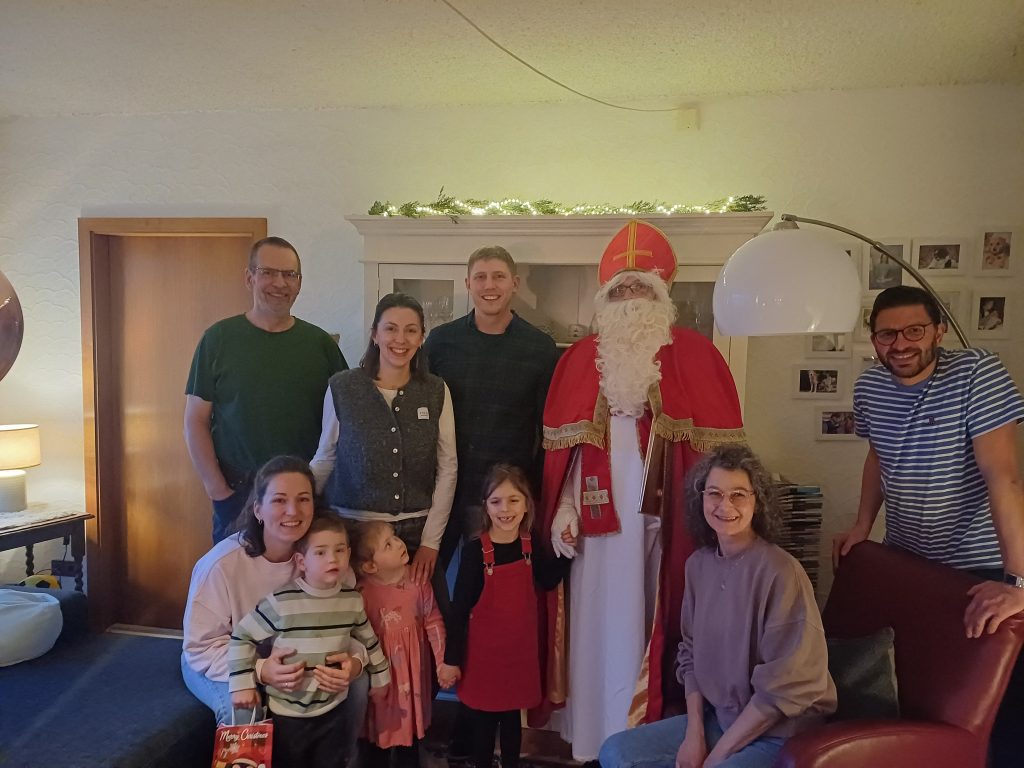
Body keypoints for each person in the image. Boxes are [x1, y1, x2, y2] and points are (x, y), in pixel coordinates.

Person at [537, 220, 745, 761]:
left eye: (641, 287)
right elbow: (565, 453)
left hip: (665, 525)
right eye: (620, 289)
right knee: (595, 624)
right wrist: (563, 507)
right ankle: (593, 735)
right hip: (594, 532)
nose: (630, 297)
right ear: (605, 298)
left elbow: (718, 458)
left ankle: (647, 733)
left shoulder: (696, 355)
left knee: (655, 617)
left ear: (661, 295)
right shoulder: (579, 359)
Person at [834, 285, 1024, 768]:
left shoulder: (978, 373)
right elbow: (878, 455)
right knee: (916, 688)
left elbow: (1003, 476)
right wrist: (862, 525)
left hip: (977, 567)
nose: (900, 344)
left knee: (992, 708)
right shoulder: (870, 387)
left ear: (939, 330)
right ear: (874, 340)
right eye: (887, 334)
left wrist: (1018, 582)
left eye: (914, 330)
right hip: (908, 560)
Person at [599, 445, 837, 768]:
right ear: (701, 500)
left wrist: (717, 756)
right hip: (720, 719)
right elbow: (689, 655)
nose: (725, 505)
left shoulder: (782, 573)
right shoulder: (697, 566)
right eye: (715, 493)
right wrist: (694, 734)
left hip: (780, 730)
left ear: (758, 501)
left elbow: (785, 688)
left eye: (738, 494)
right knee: (614, 753)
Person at [423, 244, 558, 758]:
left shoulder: (539, 349)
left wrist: (535, 503)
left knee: (500, 610)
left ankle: (480, 722)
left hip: (506, 504)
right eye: (480, 277)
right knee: (441, 600)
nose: (489, 286)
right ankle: (433, 705)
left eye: (499, 276)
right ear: (467, 283)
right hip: (448, 491)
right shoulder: (442, 342)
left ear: (515, 283)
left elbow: (548, 430)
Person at [181, 455, 370, 764]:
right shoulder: (220, 566)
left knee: (357, 684)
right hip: (216, 660)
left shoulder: (328, 559)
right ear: (258, 509)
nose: (293, 511)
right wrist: (259, 670)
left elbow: (350, 628)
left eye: (303, 499)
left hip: (298, 662)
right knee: (244, 709)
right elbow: (200, 648)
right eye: (280, 500)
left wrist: (355, 663)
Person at [185, 236, 347, 543]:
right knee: (235, 572)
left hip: (302, 497)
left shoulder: (321, 345)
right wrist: (217, 490)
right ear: (249, 278)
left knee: (299, 573)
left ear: (299, 283)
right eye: (268, 272)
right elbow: (195, 421)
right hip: (237, 494)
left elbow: (343, 423)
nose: (280, 283)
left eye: (289, 274)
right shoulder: (218, 340)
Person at [310, 293, 457, 586]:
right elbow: (325, 457)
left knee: (425, 610)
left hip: (415, 534)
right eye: (390, 328)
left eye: (411, 330)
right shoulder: (343, 387)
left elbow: (448, 467)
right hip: (351, 533)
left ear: (421, 338)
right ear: (375, 334)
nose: (400, 339)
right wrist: (298, 503)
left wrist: (431, 542)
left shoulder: (436, 391)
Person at [229, 513, 391, 768]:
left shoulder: (352, 600)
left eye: (339, 550)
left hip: (334, 710)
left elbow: (368, 640)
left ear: (349, 554)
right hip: (287, 714)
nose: (332, 559)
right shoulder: (281, 601)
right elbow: (242, 635)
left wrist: (381, 678)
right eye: (321, 552)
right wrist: (241, 684)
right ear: (302, 561)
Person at [445, 464, 570, 768]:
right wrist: (451, 660)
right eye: (496, 501)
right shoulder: (475, 552)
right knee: (484, 724)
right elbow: (458, 611)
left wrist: (567, 550)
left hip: (518, 656)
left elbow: (548, 579)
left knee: (513, 718)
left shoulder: (530, 543)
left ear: (527, 504)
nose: (505, 509)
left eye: (514, 500)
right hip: (483, 659)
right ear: (485, 506)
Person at [353, 521, 457, 768]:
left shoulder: (418, 582)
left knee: (409, 743)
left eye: (395, 537)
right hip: (381, 679)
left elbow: (433, 621)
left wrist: (442, 662)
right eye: (388, 544)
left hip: (412, 677)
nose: (399, 543)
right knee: (376, 742)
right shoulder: (361, 592)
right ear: (370, 566)